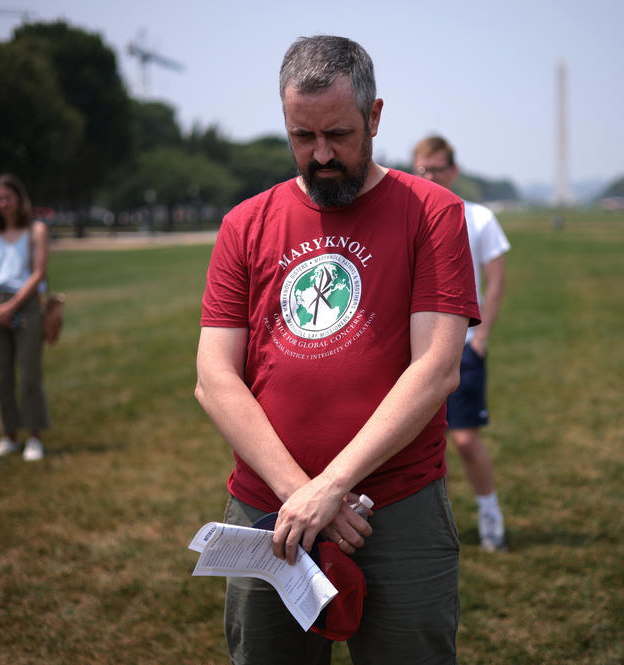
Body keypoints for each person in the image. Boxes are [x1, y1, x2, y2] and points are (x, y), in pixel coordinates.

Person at [195, 35, 480, 665]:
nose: (321, 155)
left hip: (395, 507)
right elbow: (214, 378)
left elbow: (435, 369)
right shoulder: (245, 223)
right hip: (270, 510)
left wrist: (334, 486)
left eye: (340, 135)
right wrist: (306, 493)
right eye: (302, 136)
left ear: (376, 117)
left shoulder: (432, 213)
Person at [413, 136, 511, 552]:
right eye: (422, 169)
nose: (429, 177)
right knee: (419, 448)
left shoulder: (479, 218)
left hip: (464, 344)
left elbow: (497, 279)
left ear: (452, 171)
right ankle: (433, 528)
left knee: (465, 440)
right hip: (416, 351)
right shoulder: (408, 217)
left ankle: (491, 516)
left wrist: (482, 337)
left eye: (436, 169)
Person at [0, 174, 50, 461]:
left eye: (8, 197)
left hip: (26, 304)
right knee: (1, 374)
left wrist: (13, 306)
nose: (3, 203)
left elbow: (39, 272)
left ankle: (34, 437)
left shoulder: (36, 230)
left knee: (30, 373)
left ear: (20, 198)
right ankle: (8, 436)